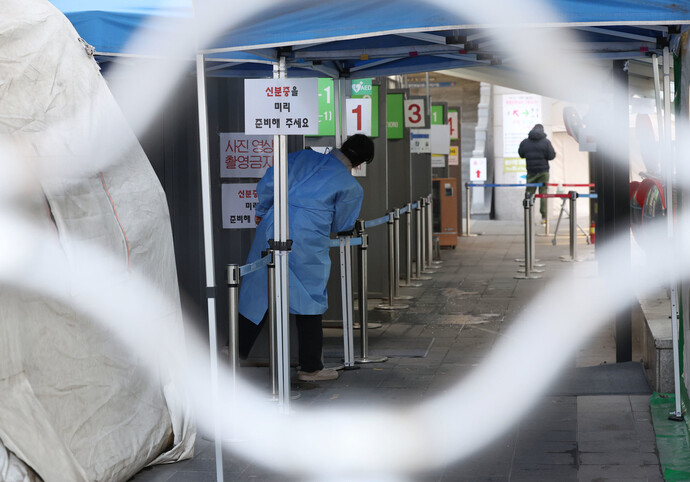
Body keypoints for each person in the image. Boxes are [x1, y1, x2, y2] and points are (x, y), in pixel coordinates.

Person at [238, 134, 374, 382]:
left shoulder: (302, 157)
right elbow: (342, 223)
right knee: (310, 298)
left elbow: (271, 179)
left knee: (259, 289)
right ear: (361, 163)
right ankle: (310, 367)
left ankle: (233, 353)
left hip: (273, 225)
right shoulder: (350, 186)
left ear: (343, 145)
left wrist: (262, 210)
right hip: (308, 238)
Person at [518, 123, 556, 224]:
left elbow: (521, 154)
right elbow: (552, 156)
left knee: (529, 194)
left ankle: (530, 217)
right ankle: (544, 217)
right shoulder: (546, 142)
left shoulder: (525, 142)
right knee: (543, 193)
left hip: (531, 172)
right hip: (543, 172)